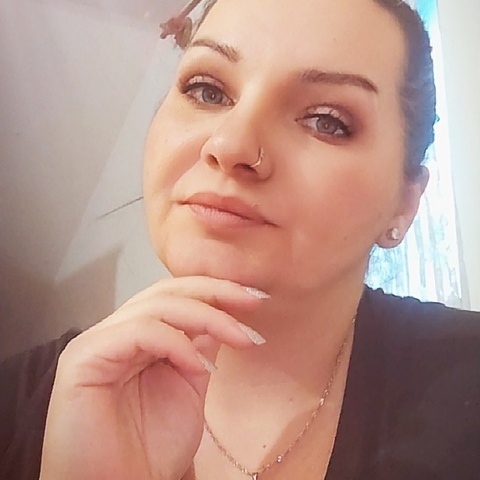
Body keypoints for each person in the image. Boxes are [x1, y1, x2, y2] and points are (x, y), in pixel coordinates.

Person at [1, 0, 479, 479]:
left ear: (404, 203)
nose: (230, 145)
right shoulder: (17, 406)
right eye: (207, 91)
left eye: (326, 120)